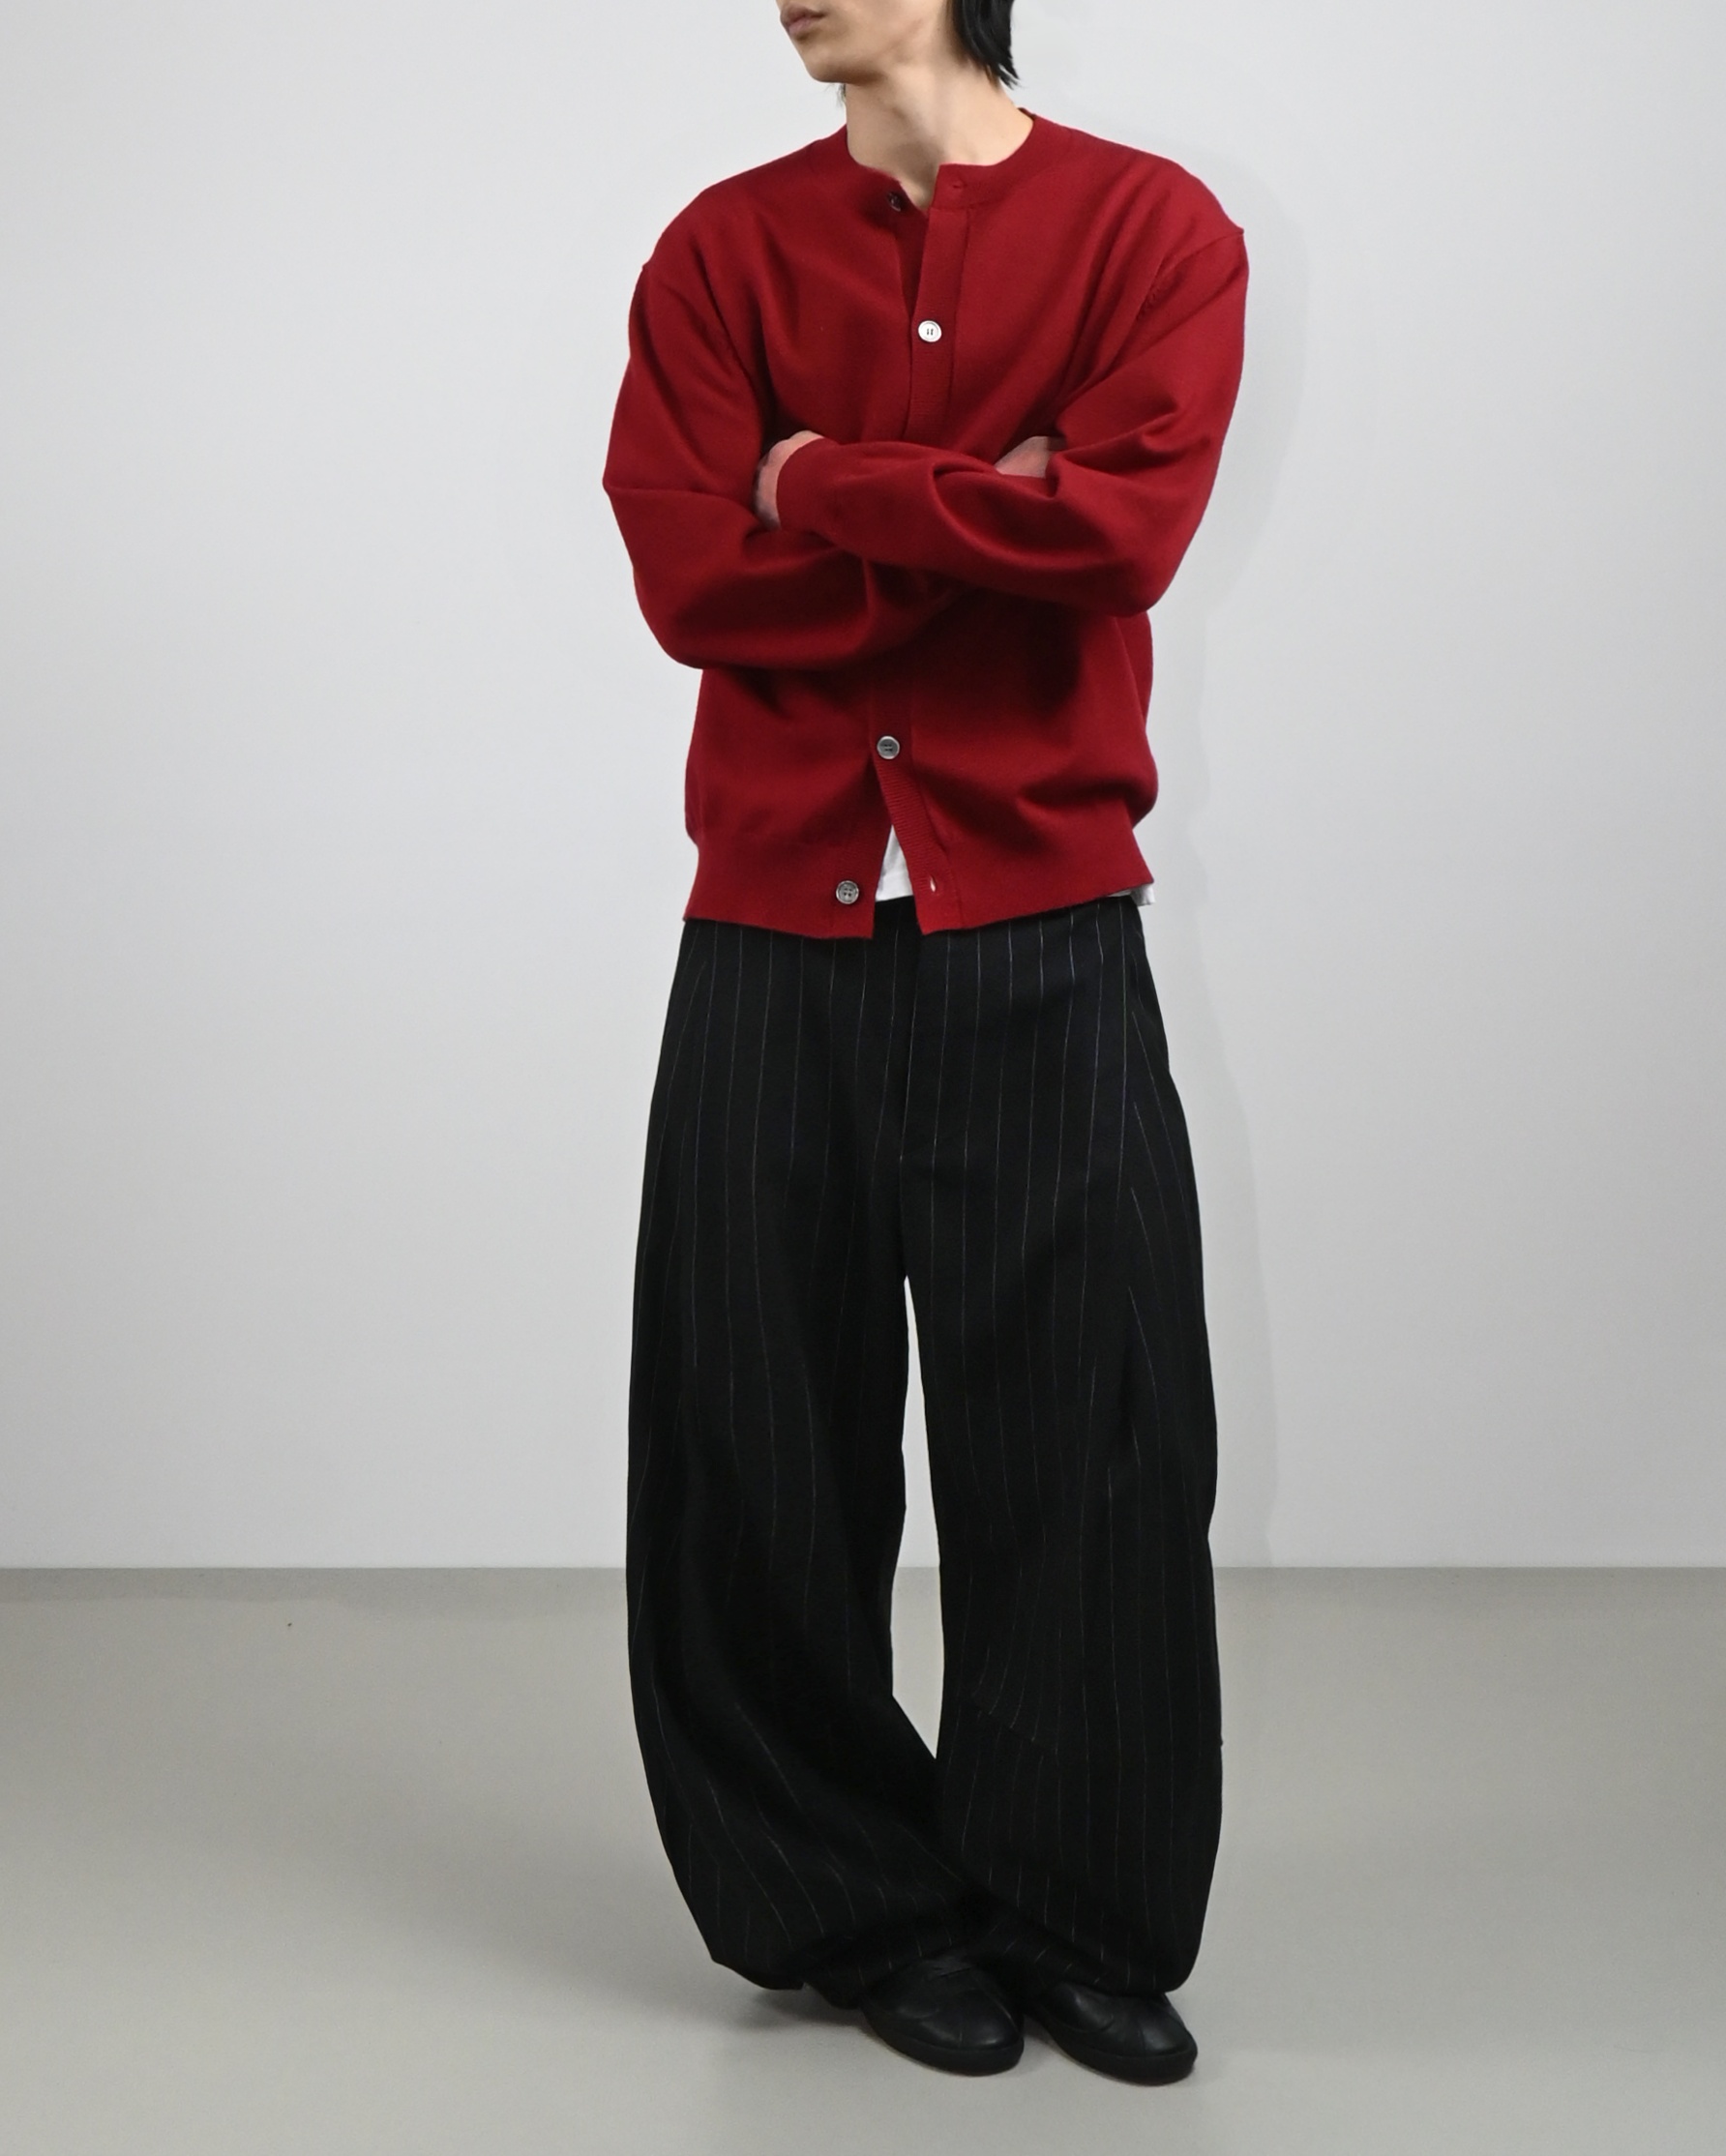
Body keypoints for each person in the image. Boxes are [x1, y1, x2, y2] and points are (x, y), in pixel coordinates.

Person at [602, 0, 1246, 2083]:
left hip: (1040, 924)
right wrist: (980, 507)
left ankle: (1077, 1908)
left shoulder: (1149, 230)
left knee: (1093, 1432)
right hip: (769, 929)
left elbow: (1118, 540)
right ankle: (850, 1904)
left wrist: (817, 480)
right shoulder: (721, 253)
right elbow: (692, 575)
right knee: (752, 1435)